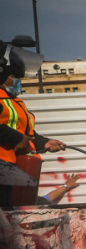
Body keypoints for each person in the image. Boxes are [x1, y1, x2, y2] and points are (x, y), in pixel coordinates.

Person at [1, 43, 67, 206]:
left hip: (15, 169)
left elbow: (26, 131)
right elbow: (16, 133)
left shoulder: (15, 102)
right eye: (14, 77)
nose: (17, 81)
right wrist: (16, 137)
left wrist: (42, 142)